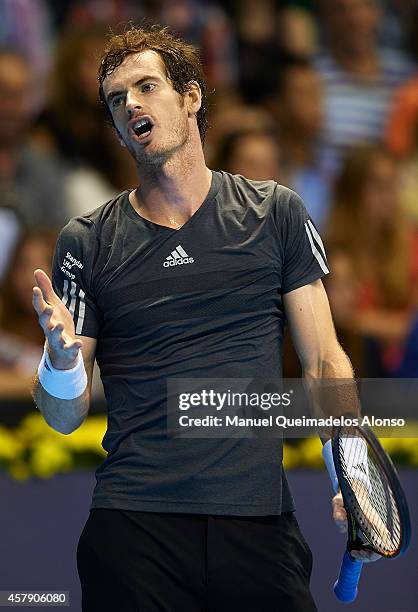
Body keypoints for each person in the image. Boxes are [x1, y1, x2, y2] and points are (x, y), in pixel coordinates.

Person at [31, 25, 376, 612]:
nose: (131, 104)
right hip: (135, 529)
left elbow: (323, 359)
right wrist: (61, 366)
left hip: (259, 521)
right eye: (117, 100)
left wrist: (354, 466)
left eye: (145, 86)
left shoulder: (277, 213)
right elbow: (63, 418)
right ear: (116, 128)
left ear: (191, 97)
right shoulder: (86, 242)